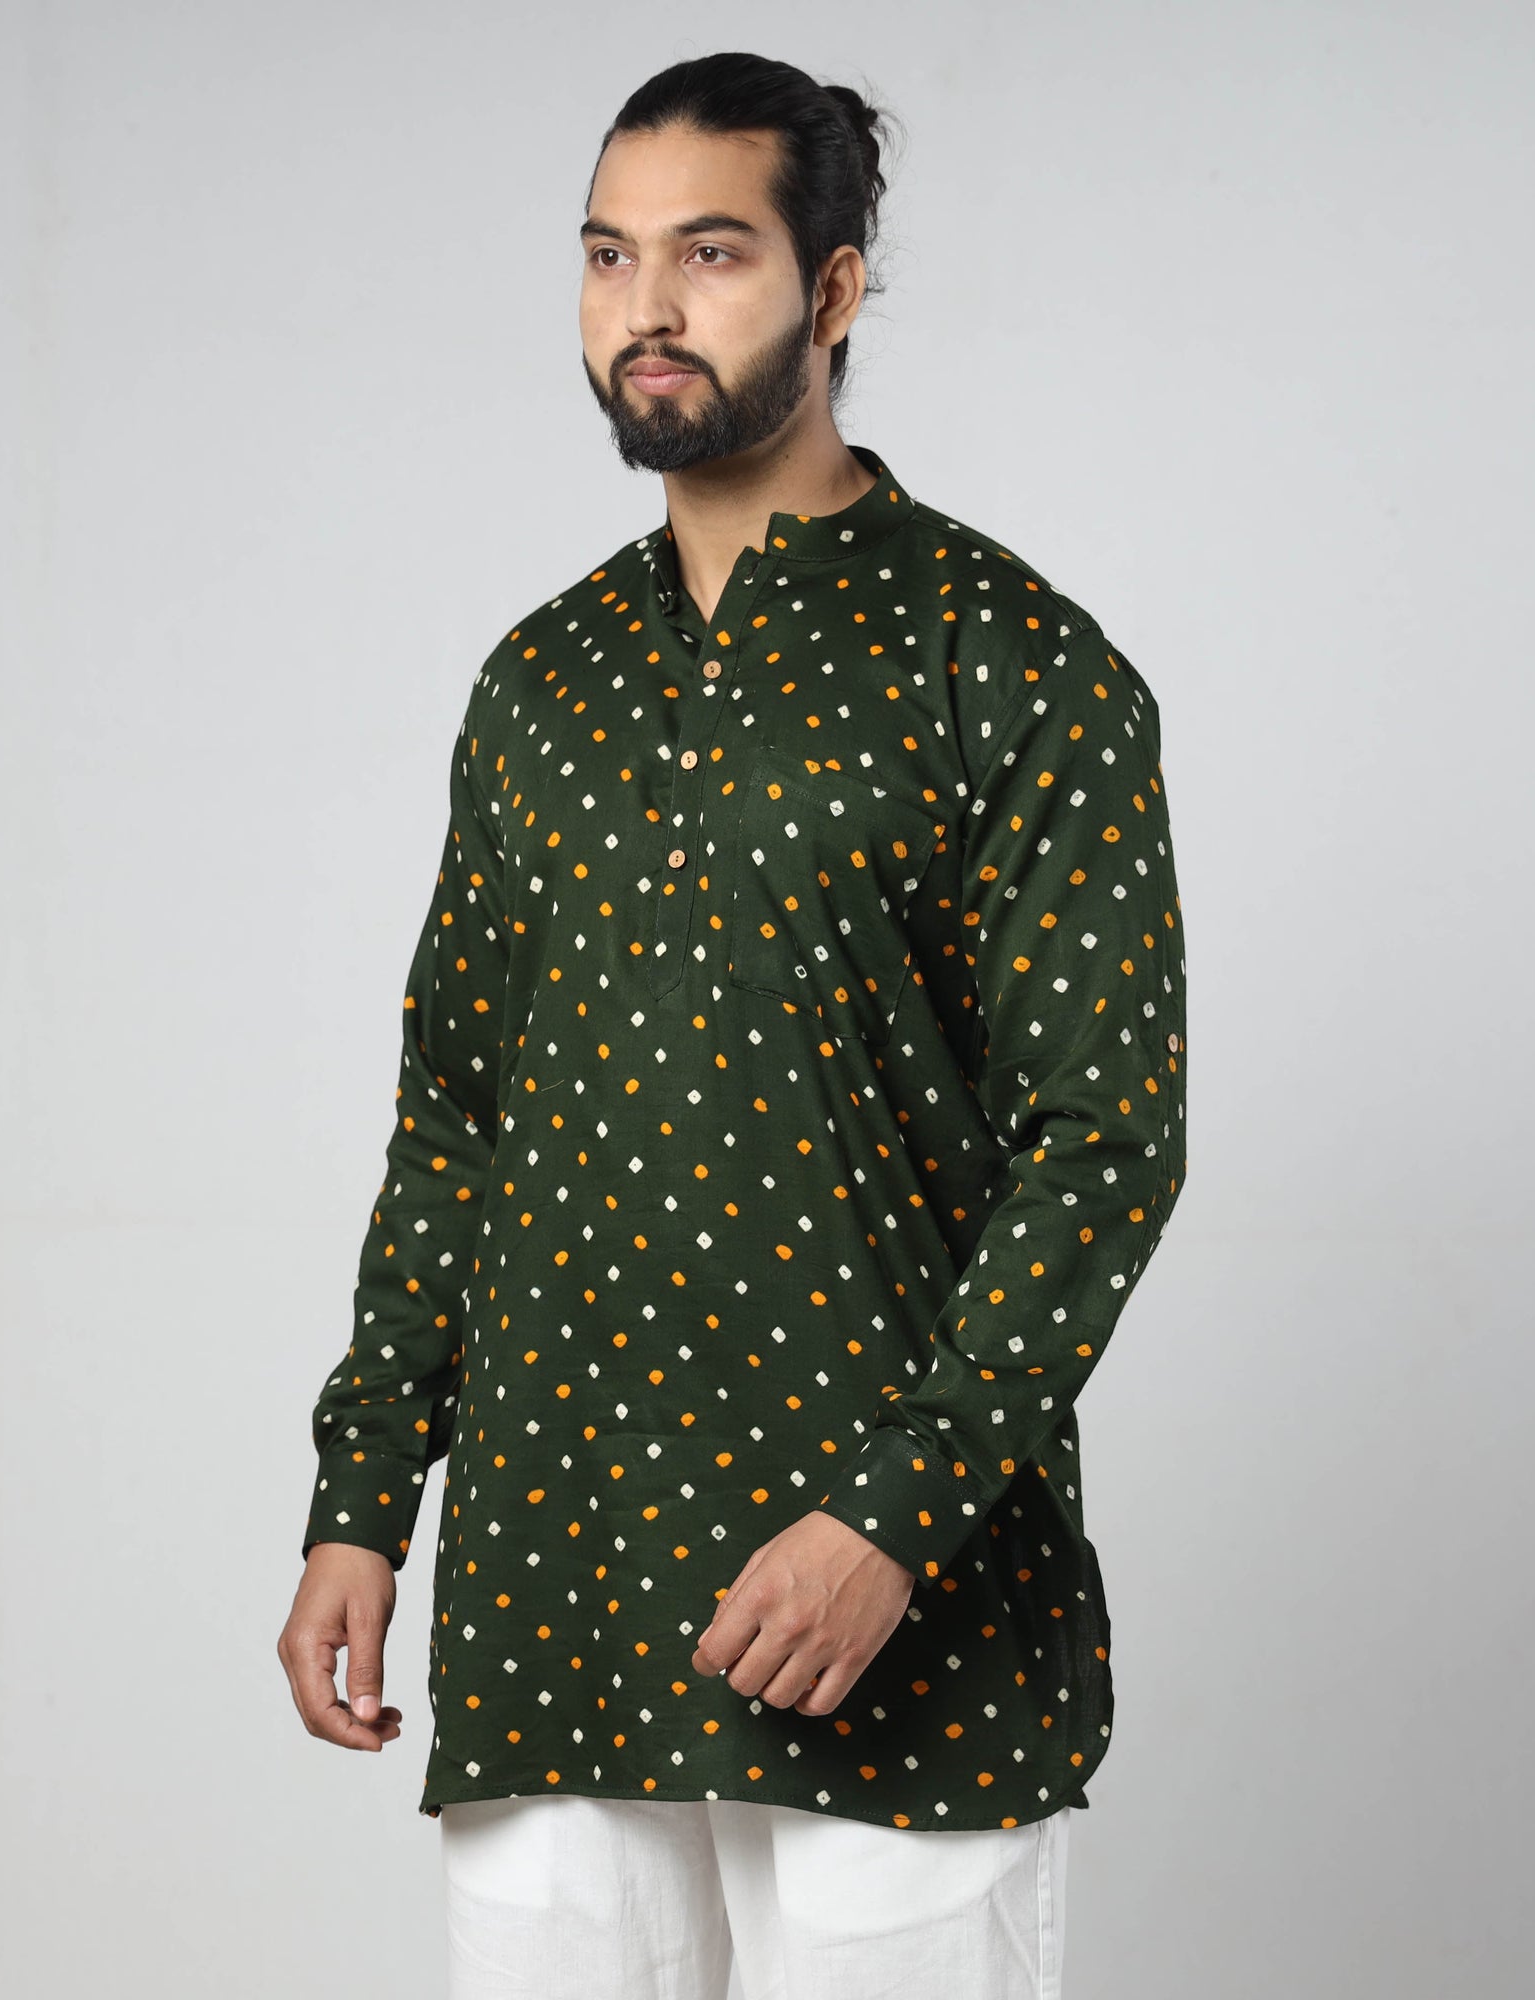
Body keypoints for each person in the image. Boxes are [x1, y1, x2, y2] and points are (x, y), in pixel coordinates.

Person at [277, 49, 1188, 2000]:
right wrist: (364, 1501)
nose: (647, 308)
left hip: (897, 1619)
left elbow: (1104, 1145)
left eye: (709, 253)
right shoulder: (544, 685)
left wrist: (894, 1516)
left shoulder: (1010, 659)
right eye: (608, 256)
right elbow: (456, 1120)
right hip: (555, 1594)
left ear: (833, 287)